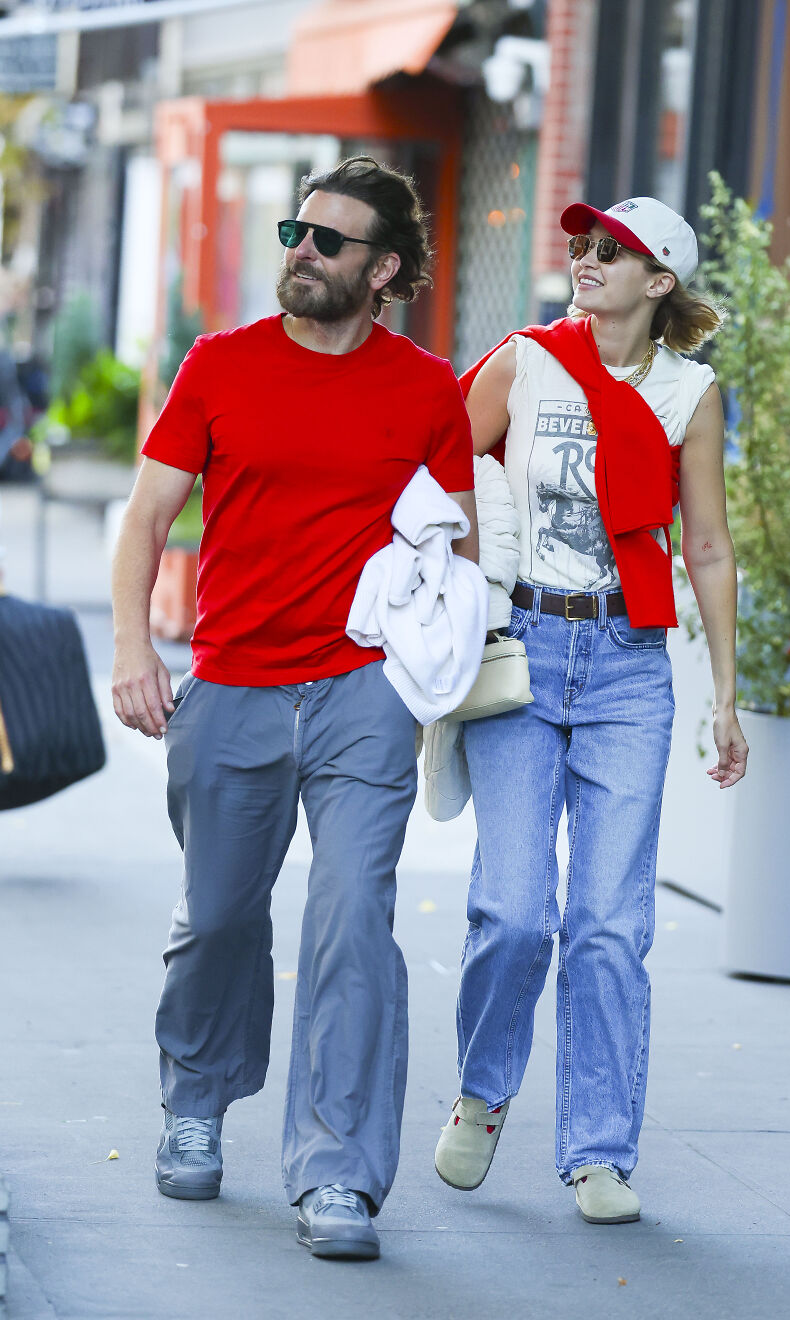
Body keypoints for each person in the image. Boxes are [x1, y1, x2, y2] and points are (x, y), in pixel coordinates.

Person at [111, 156, 477, 1261]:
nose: (299, 253)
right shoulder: (220, 365)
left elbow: (453, 547)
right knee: (219, 916)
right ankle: (197, 1096)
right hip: (230, 681)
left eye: (327, 241)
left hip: (364, 689)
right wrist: (134, 647)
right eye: (294, 233)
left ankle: (339, 1174)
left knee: (352, 921)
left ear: (385, 270)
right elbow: (144, 521)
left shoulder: (424, 389)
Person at [434, 197, 749, 1225]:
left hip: (627, 665)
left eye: (611, 251)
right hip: (520, 650)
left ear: (659, 282)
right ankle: (484, 1092)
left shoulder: (687, 392)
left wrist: (727, 699)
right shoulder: (524, 362)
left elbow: (704, 544)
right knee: (514, 911)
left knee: (610, 925)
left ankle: (600, 1152)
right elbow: (434, 472)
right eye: (580, 245)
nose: (586, 259)